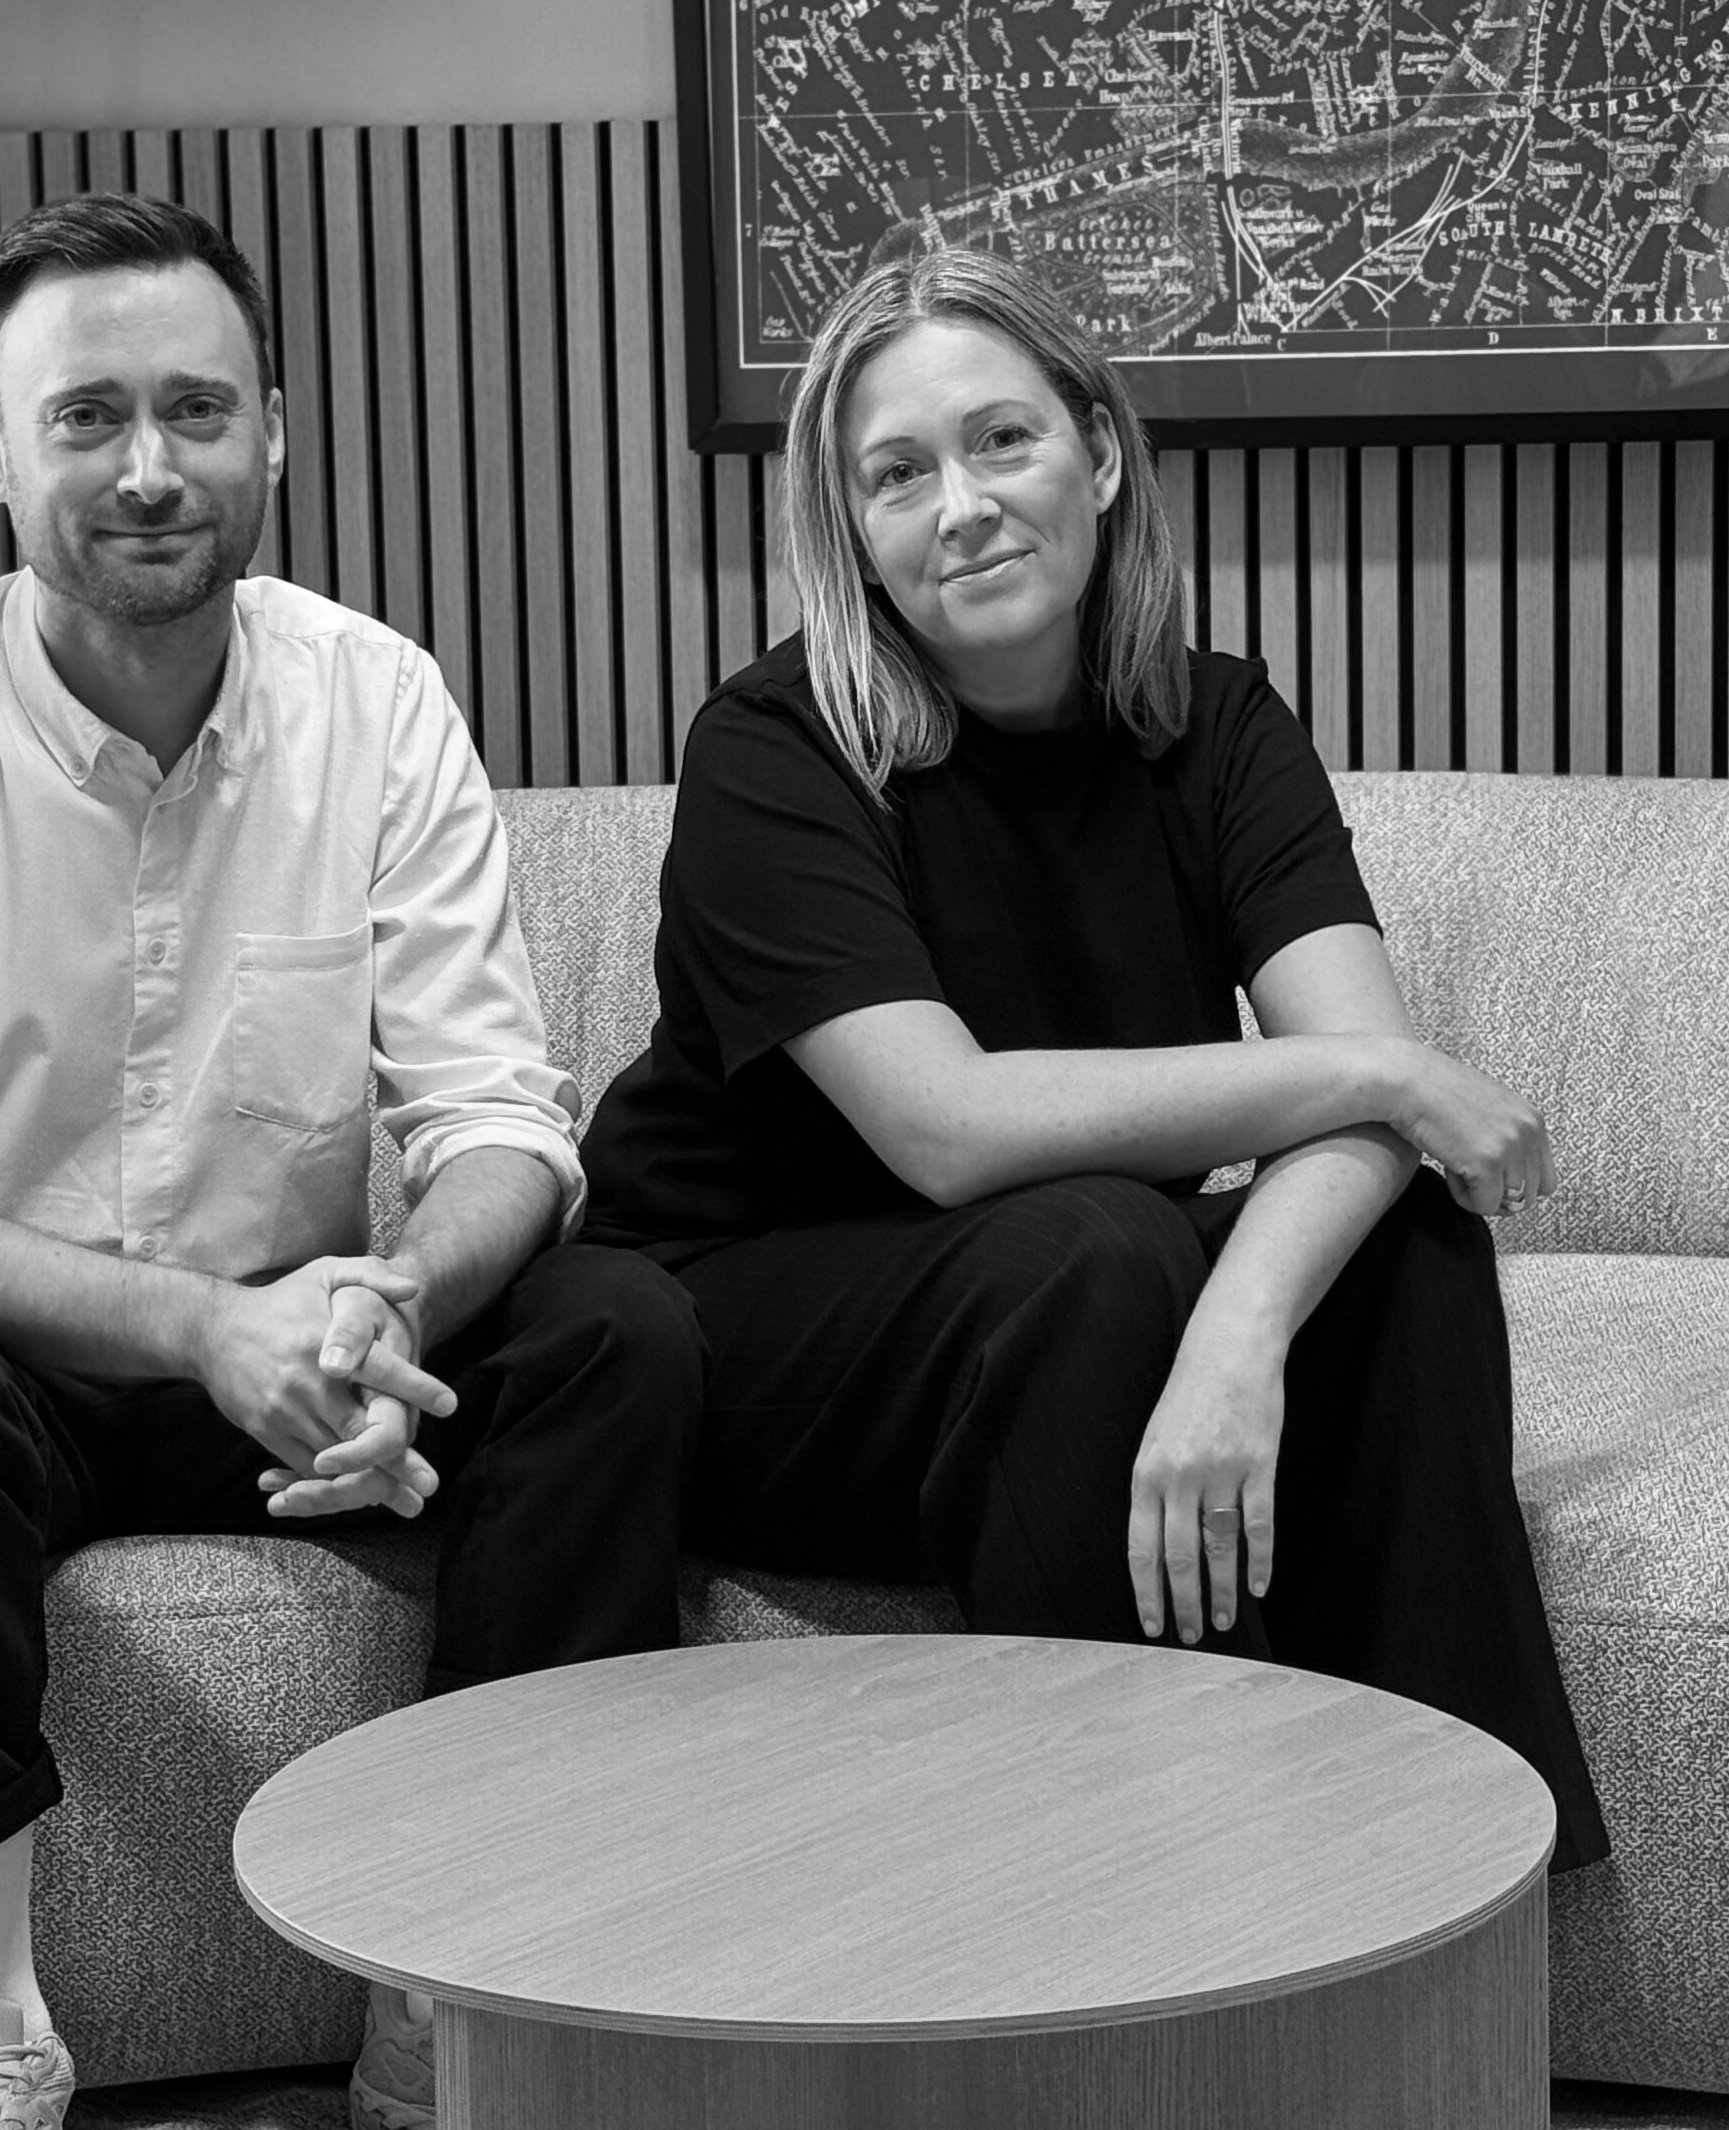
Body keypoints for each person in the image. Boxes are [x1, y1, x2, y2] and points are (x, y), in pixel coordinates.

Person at [0, 191, 703, 2130]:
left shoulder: (376, 700)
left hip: (302, 1353)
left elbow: (498, 1109)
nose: (150, 468)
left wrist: (393, 1299)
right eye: (86, 417)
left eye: (197, 408)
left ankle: (457, 2010)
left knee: (616, 1328)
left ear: (276, 428)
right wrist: (205, 1328)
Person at [578, 241, 1608, 1871]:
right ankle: (1162, 1886)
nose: (962, 505)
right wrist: (1389, 1076)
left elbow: (1359, 1104)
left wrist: (1240, 1338)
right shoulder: (773, 750)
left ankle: (1452, 1878)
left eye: (1003, 440)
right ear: (850, 527)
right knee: (1097, 1236)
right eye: (898, 473)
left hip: (1064, 1310)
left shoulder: (1218, 723)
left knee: (1400, 1244)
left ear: (1100, 452)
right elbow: (947, 1128)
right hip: (751, 1336)